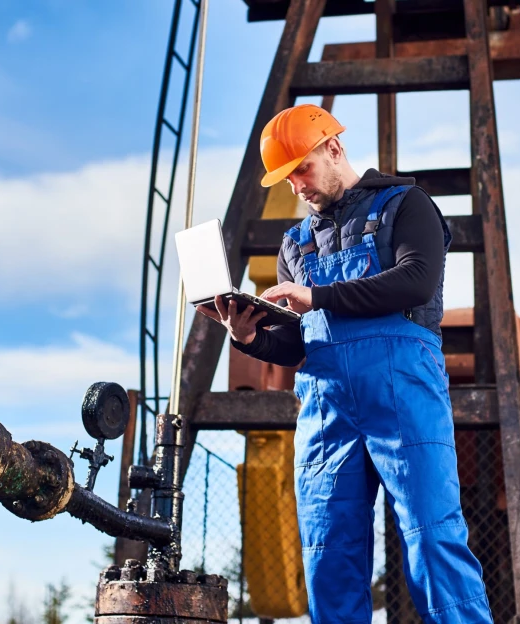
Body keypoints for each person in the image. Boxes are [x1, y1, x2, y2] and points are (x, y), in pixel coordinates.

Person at [198, 104, 492, 624]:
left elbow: (415, 280)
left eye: (301, 170)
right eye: (286, 180)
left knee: (433, 538)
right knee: (328, 554)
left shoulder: (407, 204)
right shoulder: (295, 244)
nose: (297, 188)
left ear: (334, 148)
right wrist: (250, 338)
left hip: (403, 392)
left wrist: (319, 295)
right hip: (326, 410)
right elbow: (298, 342)